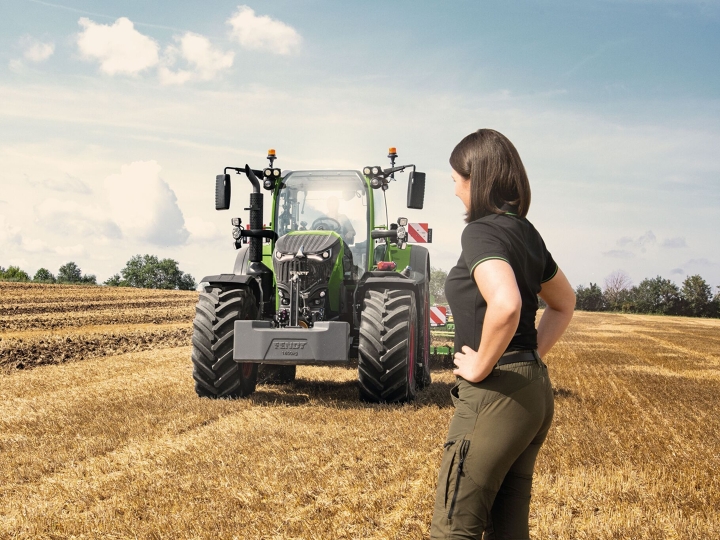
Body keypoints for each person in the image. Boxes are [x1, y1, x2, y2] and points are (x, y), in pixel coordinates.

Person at [430, 129, 575, 539]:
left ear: (476, 178)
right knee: (507, 529)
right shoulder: (525, 233)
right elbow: (564, 302)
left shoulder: (480, 232)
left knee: (454, 527)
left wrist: (482, 363)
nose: (454, 186)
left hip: (495, 396)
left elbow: (506, 303)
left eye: (457, 176)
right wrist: (530, 357)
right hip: (532, 394)